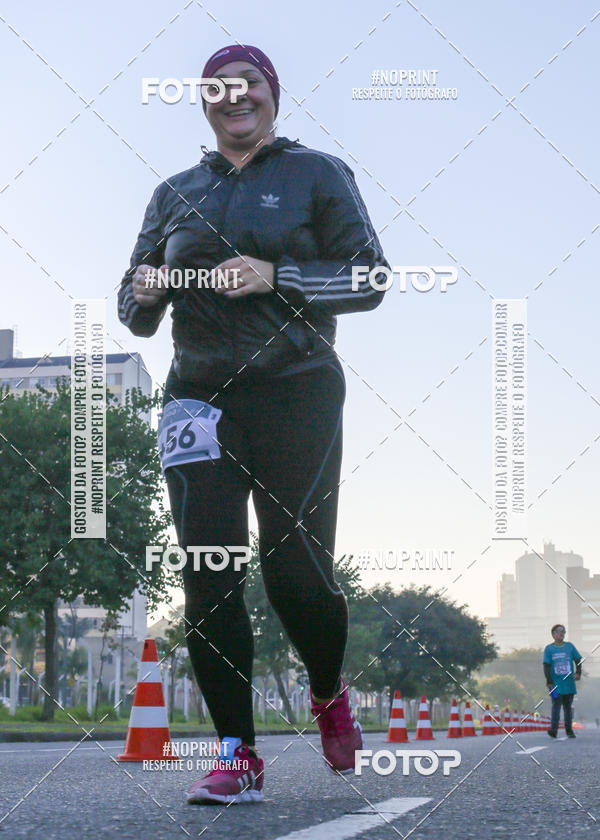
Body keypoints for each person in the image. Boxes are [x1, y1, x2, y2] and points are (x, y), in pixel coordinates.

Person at [118, 44, 389, 804]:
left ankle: (329, 689)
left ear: (273, 95)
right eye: (219, 89)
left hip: (296, 388)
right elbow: (132, 308)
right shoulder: (174, 193)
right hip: (198, 398)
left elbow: (370, 277)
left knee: (296, 572)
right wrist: (144, 289)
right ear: (205, 103)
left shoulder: (318, 174)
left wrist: (280, 275)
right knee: (207, 575)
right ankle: (236, 753)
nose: (236, 98)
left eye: (250, 86)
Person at [543, 623, 582, 739]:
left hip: (569, 684)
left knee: (568, 708)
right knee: (555, 706)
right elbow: (546, 665)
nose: (562, 634)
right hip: (555, 685)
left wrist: (578, 672)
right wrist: (549, 681)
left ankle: (569, 731)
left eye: (564, 632)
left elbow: (578, 659)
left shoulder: (569, 646)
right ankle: (553, 730)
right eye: (560, 631)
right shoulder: (549, 649)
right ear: (553, 634)